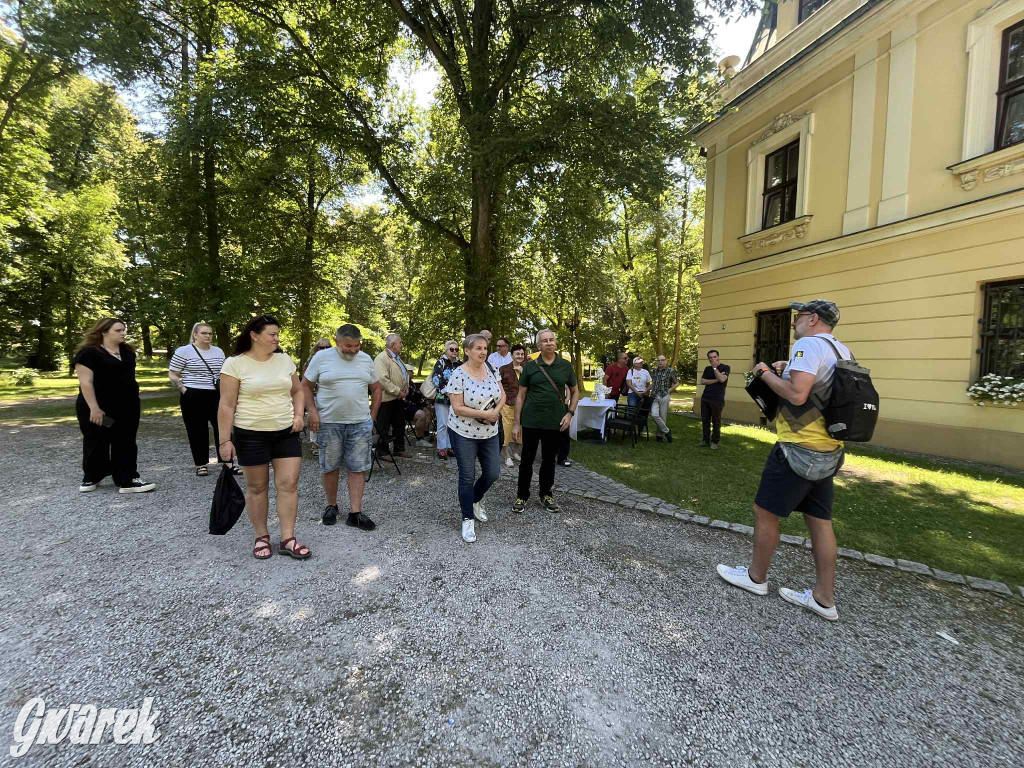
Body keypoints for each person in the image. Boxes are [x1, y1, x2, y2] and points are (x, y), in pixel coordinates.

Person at [717, 300, 849, 622]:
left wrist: (763, 372)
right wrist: (786, 369)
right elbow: (813, 388)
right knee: (819, 521)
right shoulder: (840, 350)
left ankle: (755, 578)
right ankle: (824, 598)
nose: (794, 323)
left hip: (797, 449)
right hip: (829, 450)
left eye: (799, 316)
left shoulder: (808, 344)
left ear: (814, 318)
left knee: (765, 512)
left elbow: (797, 395)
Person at [218, 315, 309, 561]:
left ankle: (288, 538)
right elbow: (226, 405)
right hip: (249, 434)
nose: (277, 339)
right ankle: (262, 536)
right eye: (272, 334)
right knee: (257, 488)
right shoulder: (234, 364)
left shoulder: (284, 359)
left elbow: (297, 390)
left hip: (286, 432)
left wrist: (299, 415)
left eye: (278, 334)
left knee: (288, 485)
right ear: (254, 335)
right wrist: (225, 441)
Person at [303, 324, 382, 531]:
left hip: (359, 423)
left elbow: (376, 389)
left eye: (357, 345)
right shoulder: (321, 358)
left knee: (358, 468)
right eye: (348, 346)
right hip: (328, 422)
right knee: (330, 467)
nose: (353, 350)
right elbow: (305, 386)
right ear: (337, 341)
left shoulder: (365, 359)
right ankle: (331, 506)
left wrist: (372, 416)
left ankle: (355, 513)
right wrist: (312, 411)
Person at [72, 318, 155, 494]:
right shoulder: (89, 353)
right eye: (118, 330)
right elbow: (86, 382)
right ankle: (92, 475)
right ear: (104, 332)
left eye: (123, 330)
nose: (123, 333)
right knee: (96, 440)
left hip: (127, 406)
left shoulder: (127, 352)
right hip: (98, 407)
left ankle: (127, 479)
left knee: (126, 441)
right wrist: (94, 408)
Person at [445, 333, 506, 543]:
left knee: (493, 473)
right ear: (467, 351)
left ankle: (475, 499)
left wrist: (495, 412)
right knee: (467, 476)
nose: (483, 352)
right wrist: (484, 415)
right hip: (463, 433)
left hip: (489, 431)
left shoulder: (491, 368)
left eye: (485, 348)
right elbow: (457, 407)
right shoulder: (458, 374)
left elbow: (502, 395)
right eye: (478, 348)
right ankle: (467, 518)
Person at [511, 329, 579, 514]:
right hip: (531, 421)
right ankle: (522, 495)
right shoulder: (530, 367)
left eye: (552, 340)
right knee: (527, 460)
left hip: (555, 422)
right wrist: (517, 423)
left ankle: (546, 494)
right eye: (545, 341)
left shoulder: (565, 366)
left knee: (549, 460)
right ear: (539, 345)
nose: (549, 343)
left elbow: (575, 391)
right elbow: (520, 396)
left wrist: (570, 413)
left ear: (555, 343)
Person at [168, 322, 234, 476]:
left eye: (210, 333)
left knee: (222, 428)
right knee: (197, 430)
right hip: (193, 394)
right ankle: (201, 464)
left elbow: (223, 373)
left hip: (216, 394)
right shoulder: (184, 351)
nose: (208, 336)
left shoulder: (218, 351)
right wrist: (183, 389)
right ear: (195, 335)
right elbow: (173, 374)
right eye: (204, 333)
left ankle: (228, 462)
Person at [373, 333, 410, 459]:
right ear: (393, 344)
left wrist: (406, 388)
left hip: (398, 398)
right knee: (384, 425)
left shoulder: (397, 358)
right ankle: (382, 452)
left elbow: (402, 374)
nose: (402, 345)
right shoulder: (381, 358)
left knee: (399, 424)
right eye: (400, 342)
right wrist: (397, 391)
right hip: (386, 399)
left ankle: (399, 449)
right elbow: (382, 379)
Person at [429, 341, 460, 460]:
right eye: (452, 349)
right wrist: (449, 393)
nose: (454, 352)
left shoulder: (460, 364)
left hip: (456, 399)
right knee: (442, 424)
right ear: (446, 351)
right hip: (443, 399)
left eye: (456, 350)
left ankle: (452, 446)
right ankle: (442, 448)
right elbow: (437, 380)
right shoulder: (440, 363)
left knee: (454, 424)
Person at [498, 344, 526, 467]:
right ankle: (506, 455)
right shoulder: (504, 369)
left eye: (522, 354)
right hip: (507, 404)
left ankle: (515, 452)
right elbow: (498, 388)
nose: (520, 356)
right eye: (517, 354)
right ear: (512, 355)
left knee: (520, 431)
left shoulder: (527, 368)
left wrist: (523, 372)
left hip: (523, 406)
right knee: (507, 431)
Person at [698, 350, 730, 449]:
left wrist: (715, 368)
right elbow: (702, 381)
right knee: (705, 420)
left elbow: (722, 379)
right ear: (708, 359)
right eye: (710, 357)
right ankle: (705, 440)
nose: (713, 359)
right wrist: (716, 380)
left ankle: (715, 442)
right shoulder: (707, 369)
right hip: (706, 397)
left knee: (716, 421)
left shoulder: (725, 367)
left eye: (714, 357)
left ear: (718, 357)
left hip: (717, 399)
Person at [650, 355, 680, 443]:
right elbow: (653, 383)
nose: (660, 362)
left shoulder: (670, 371)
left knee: (662, 416)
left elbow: (677, 383)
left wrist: (670, 390)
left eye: (662, 360)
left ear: (666, 361)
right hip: (655, 396)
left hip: (664, 396)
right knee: (654, 414)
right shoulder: (654, 371)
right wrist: (647, 390)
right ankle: (667, 431)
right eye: (658, 360)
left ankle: (659, 435)